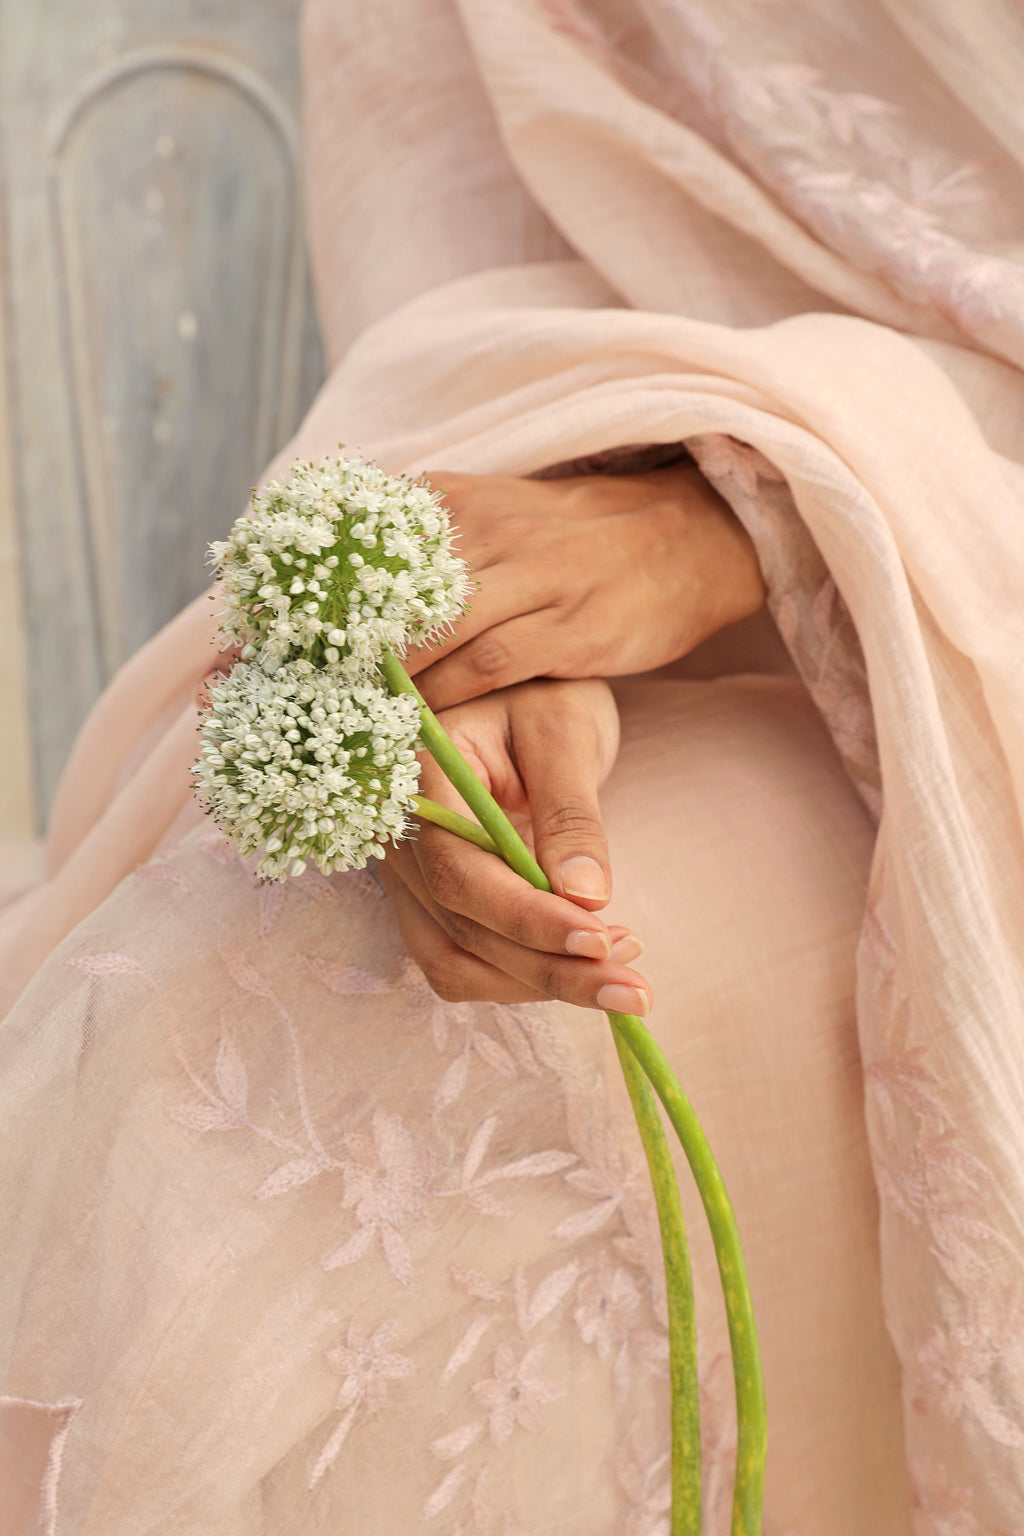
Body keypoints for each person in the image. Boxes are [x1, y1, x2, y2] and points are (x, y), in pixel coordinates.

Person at [2, 0, 1024, 1531]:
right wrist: (488, 642)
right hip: (688, 596)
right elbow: (455, 265)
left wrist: (751, 514)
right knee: (236, 1020)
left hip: (943, 618)